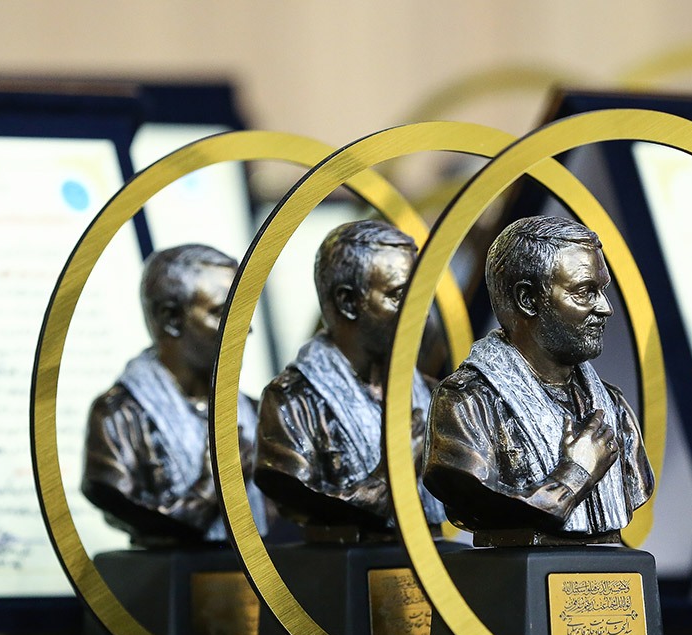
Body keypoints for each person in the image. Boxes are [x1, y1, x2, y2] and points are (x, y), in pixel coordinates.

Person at [422, 215, 653, 544]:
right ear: (528, 299)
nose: (605, 308)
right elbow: (481, 498)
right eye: (584, 292)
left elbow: (637, 484)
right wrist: (575, 474)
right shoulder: (465, 405)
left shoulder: (613, 407)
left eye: (601, 290)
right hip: (515, 568)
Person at [255, 220, 447, 536]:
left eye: (421, 295)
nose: (422, 312)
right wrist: (398, 464)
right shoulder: (291, 403)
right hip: (343, 558)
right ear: (347, 302)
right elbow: (311, 497)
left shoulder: (431, 394)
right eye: (400, 295)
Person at [82, 244, 267, 546]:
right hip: (166, 571)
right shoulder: (117, 418)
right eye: (223, 313)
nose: (245, 328)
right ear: (170, 318)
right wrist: (215, 482)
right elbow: (122, 499)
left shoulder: (257, 413)